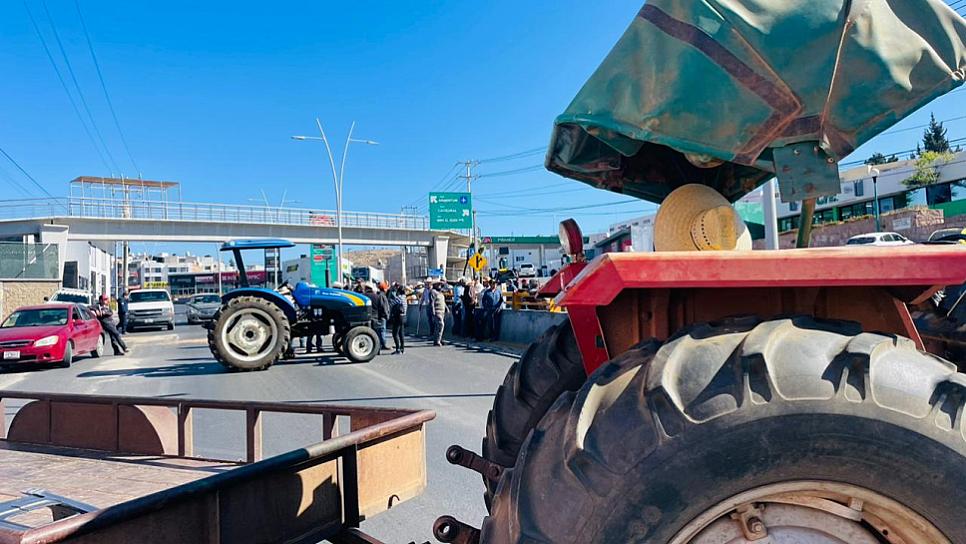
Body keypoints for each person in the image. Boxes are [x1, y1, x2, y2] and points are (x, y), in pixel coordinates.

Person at [367, 282, 390, 351]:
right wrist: (386, 315)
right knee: (382, 331)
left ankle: (378, 345)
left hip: (375, 316)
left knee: (378, 331)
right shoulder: (381, 296)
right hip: (381, 316)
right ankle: (382, 345)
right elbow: (384, 307)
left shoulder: (378, 295)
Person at [388, 284, 407, 354]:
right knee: (401, 333)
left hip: (398, 317)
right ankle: (402, 349)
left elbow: (390, 304)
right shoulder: (404, 298)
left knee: (395, 333)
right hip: (404, 316)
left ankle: (397, 349)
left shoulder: (398, 298)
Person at [430, 282, 448, 346]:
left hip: (442, 311)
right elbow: (432, 303)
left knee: (437, 327)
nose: (440, 286)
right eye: (438, 284)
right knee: (441, 325)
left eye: (440, 285)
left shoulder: (440, 292)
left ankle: (437, 340)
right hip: (437, 311)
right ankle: (438, 340)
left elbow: (443, 301)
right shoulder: (433, 292)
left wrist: (446, 308)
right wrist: (433, 312)